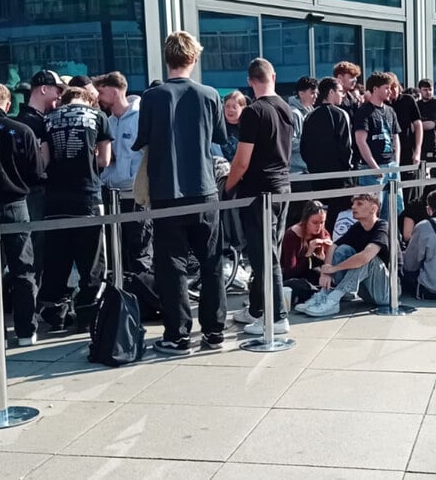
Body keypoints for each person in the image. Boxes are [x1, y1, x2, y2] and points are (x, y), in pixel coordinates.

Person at [133, 32, 227, 354]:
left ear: (167, 57)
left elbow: (142, 140)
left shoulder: (152, 97)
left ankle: (178, 334)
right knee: (211, 262)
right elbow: (217, 136)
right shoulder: (211, 94)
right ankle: (214, 331)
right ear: (194, 59)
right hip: (204, 189)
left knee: (171, 266)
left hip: (166, 191)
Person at [226, 58, 293, 336]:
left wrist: (227, 188)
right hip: (282, 187)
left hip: (259, 191)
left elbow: (241, 161)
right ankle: (256, 308)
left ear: (250, 82)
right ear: (273, 76)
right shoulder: (285, 107)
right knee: (267, 252)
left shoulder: (253, 112)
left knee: (264, 256)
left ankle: (277, 317)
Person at [38, 86, 112, 332]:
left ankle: (56, 314)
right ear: (89, 100)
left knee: (57, 259)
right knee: (91, 260)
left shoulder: (48, 119)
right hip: (87, 197)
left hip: (56, 199)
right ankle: (87, 315)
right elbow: (104, 160)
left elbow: (44, 161)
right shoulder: (98, 117)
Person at [0, 83, 41, 346]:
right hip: (16, 204)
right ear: (7, 104)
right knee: (23, 270)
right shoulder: (22, 131)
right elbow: (36, 173)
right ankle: (26, 330)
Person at [298, 193, 394, 317]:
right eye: (353, 203)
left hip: (387, 293)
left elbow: (365, 257)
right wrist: (326, 270)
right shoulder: (358, 227)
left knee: (367, 259)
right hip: (365, 292)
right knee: (343, 249)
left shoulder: (382, 227)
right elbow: (333, 246)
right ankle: (326, 294)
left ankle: (334, 299)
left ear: (373, 209)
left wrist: (335, 268)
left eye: (359, 204)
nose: (353, 207)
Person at [95, 71, 153, 277]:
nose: (98, 98)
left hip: (135, 196)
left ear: (114, 91)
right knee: (115, 254)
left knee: (139, 253)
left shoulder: (139, 118)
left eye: (100, 92)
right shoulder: (107, 122)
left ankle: (144, 303)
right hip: (111, 195)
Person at [15, 69, 65, 287]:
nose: (59, 97)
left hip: (28, 192)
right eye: (57, 90)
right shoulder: (35, 123)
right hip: (35, 192)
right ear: (44, 89)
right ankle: (33, 296)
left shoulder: (22, 120)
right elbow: (41, 162)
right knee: (36, 245)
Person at [301, 77, 353, 233]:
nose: (342, 95)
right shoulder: (340, 114)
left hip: (317, 177)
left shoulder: (309, 116)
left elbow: (305, 149)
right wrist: (348, 169)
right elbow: (346, 147)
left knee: (321, 219)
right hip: (339, 178)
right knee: (340, 221)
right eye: (340, 91)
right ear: (331, 92)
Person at [353, 72, 402, 222]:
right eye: (386, 88)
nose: (390, 91)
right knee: (373, 211)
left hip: (391, 165)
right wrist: (374, 167)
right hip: (372, 168)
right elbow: (361, 141)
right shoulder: (364, 112)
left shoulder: (390, 111)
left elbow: (396, 137)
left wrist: (396, 163)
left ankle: (392, 241)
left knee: (395, 208)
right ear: (375, 89)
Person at [280, 201, 332, 305]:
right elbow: (291, 272)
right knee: (297, 285)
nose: (319, 227)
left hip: (310, 275)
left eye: (322, 222)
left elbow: (325, 266)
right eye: (315, 222)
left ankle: (322, 294)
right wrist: (309, 252)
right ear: (306, 220)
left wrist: (328, 251)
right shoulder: (292, 235)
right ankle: (319, 295)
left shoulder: (323, 233)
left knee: (327, 278)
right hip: (291, 277)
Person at [389, 74, 423, 169]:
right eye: (390, 88)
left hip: (407, 148)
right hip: (389, 151)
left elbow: (418, 125)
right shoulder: (383, 104)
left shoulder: (407, 100)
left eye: (395, 87)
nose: (394, 91)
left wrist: (417, 151)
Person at [288, 76, 317, 174]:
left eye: (316, 93)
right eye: (312, 93)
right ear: (301, 93)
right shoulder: (293, 113)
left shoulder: (311, 111)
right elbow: (289, 142)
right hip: (297, 170)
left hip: (306, 168)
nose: (316, 96)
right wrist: (311, 143)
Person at [416, 79, 436, 161]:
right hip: (420, 146)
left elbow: (432, 124)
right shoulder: (417, 105)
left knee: (433, 172)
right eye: (425, 90)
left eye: (430, 89)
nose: (428, 92)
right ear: (420, 90)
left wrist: (416, 126)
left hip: (433, 146)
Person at [215, 90, 246, 162]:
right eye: (227, 106)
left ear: (242, 108)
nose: (230, 110)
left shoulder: (247, 129)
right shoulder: (217, 128)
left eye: (234, 107)